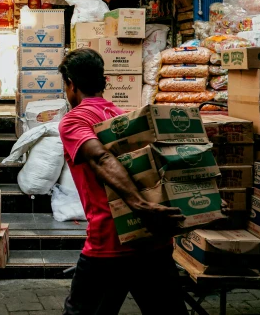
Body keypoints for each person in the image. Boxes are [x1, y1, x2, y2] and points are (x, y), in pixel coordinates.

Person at [57, 48, 188, 315]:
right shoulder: (125, 118)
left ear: (71, 85)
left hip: (110, 244)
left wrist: (141, 205)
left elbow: (101, 159)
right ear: (104, 82)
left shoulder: (75, 120)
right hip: (153, 240)